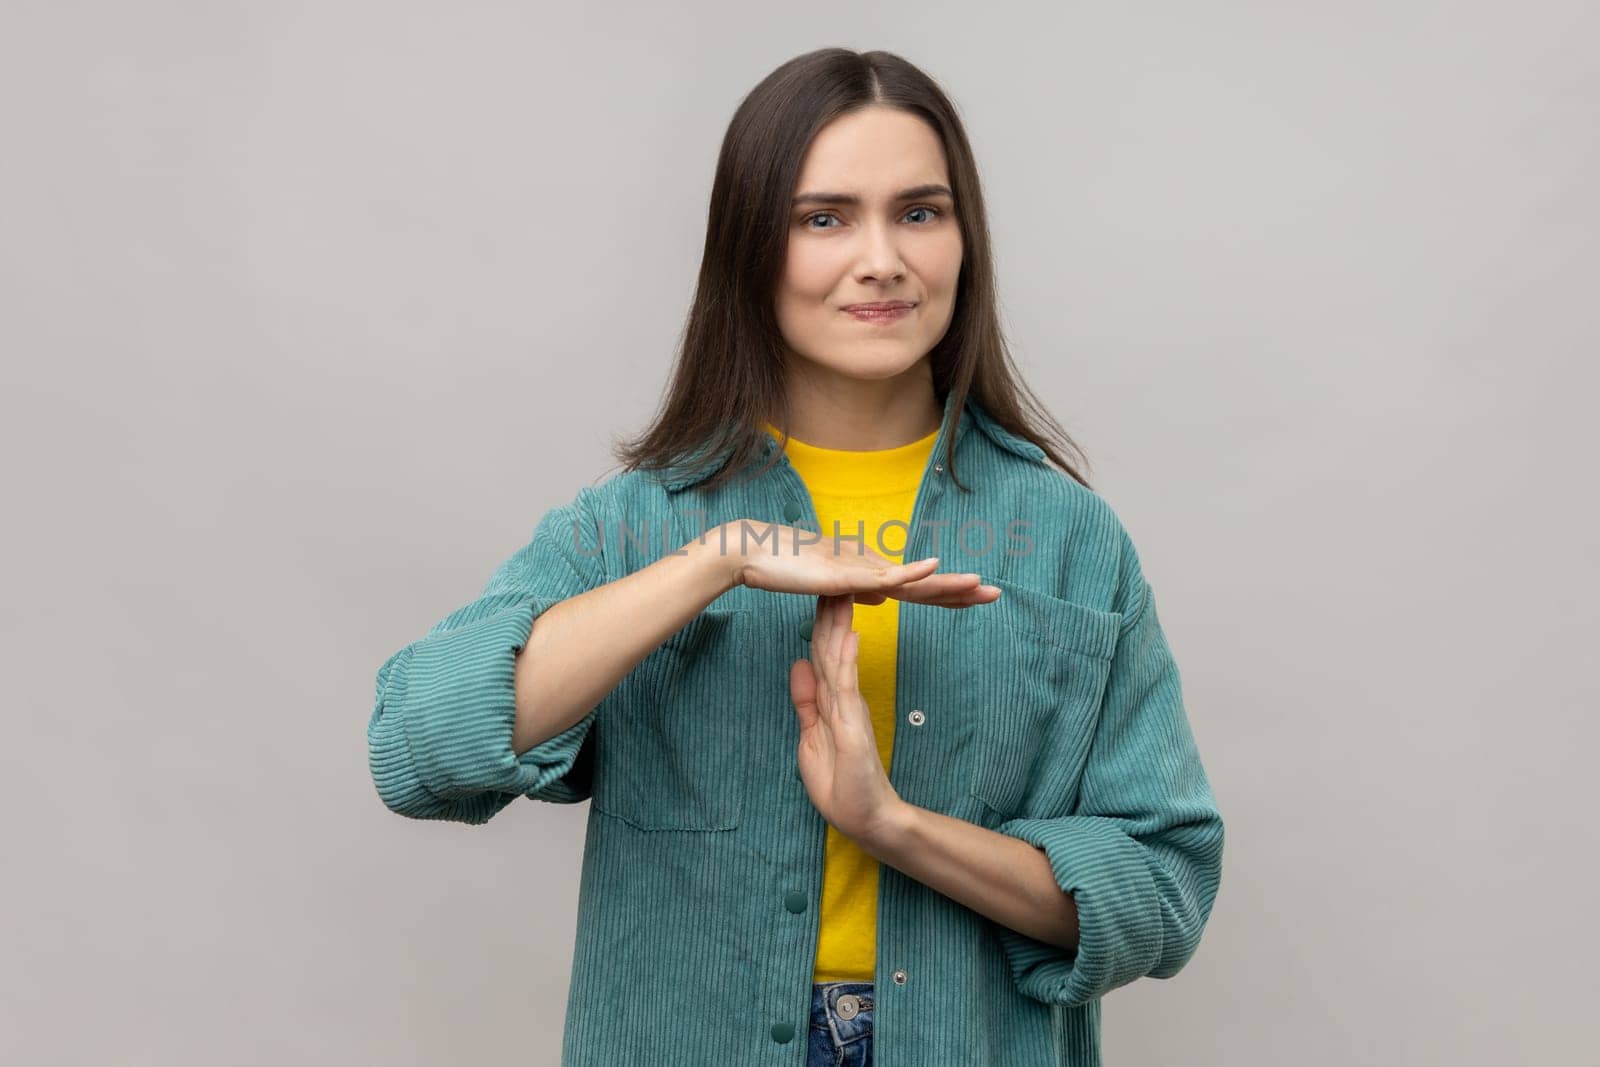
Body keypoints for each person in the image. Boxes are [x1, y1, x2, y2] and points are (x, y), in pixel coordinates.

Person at [367, 47, 1224, 1067]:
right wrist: (713, 561)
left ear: (965, 240)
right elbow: (416, 749)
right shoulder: (634, 524)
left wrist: (892, 824)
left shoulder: (1071, 540)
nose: (881, 259)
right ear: (750, 248)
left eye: (919, 212)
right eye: (824, 218)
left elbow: (1162, 892)